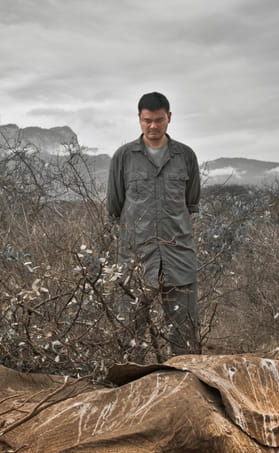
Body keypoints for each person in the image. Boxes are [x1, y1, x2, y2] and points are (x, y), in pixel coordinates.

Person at [107, 91, 201, 357]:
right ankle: (130, 390)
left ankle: (187, 390)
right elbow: (115, 207)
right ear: (139, 119)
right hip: (136, 258)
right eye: (147, 120)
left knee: (185, 334)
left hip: (178, 257)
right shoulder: (123, 157)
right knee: (130, 335)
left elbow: (190, 204)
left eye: (159, 120)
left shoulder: (186, 157)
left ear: (169, 118)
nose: (153, 126)